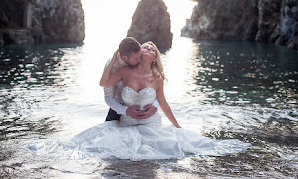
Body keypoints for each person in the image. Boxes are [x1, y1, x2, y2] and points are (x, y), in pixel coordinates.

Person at [65, 41, 249, 160]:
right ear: (133, 56)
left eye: (152, 49)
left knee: (163, 149)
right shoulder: (123, 70)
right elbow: (105, 89)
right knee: (106, 150)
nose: (147, 49)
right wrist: (113, 61)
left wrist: (177, 126)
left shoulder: (157, 76)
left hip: (150, 123)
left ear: (154, 58)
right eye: (145, 47)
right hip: (124, 119)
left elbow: (163, 102)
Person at [103, 37, 159, 121]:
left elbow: (157, 93)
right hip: (118, 109)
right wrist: (125, 110)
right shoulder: (112, 67)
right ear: (125, 58)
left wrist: (154, 107)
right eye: (145, 47)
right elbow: (108, 97)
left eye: (152, 50)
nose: (139, 60)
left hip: (147, 114)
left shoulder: (147, 66)